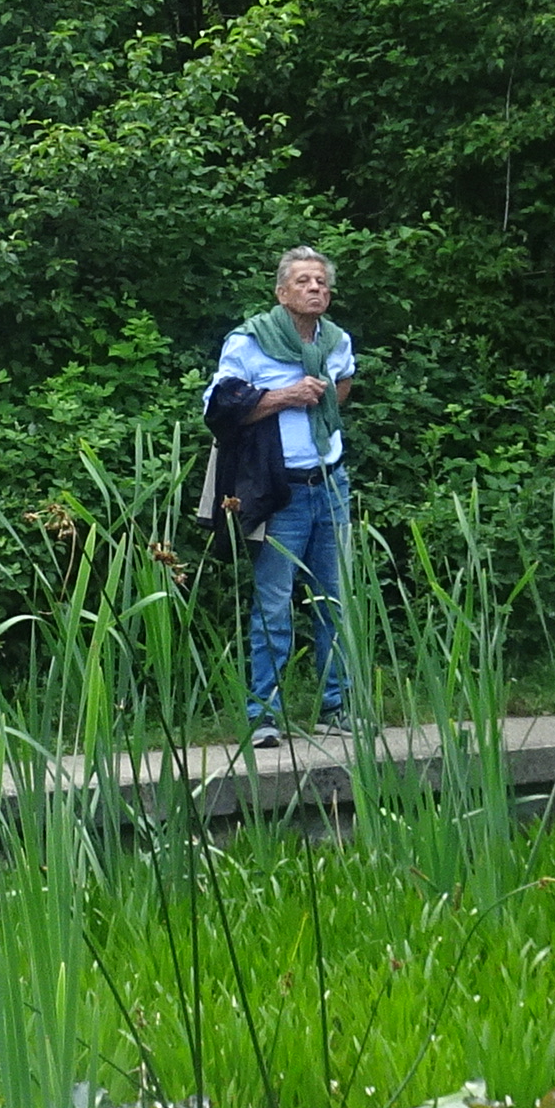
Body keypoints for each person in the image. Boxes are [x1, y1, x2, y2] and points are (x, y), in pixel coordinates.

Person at [213, 246, 358, 746]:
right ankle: (265, 717)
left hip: (331, 481)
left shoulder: (337, 340)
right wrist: (284, 398)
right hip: (280, 490)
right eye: (303, 281)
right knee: (273, 604)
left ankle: (336, 708)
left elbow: (342, 386)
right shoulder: (249, 341)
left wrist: (316, 406)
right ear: (281, 293)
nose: (315, 288)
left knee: (335, 601)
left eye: (321, 281)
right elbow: (221, 408)